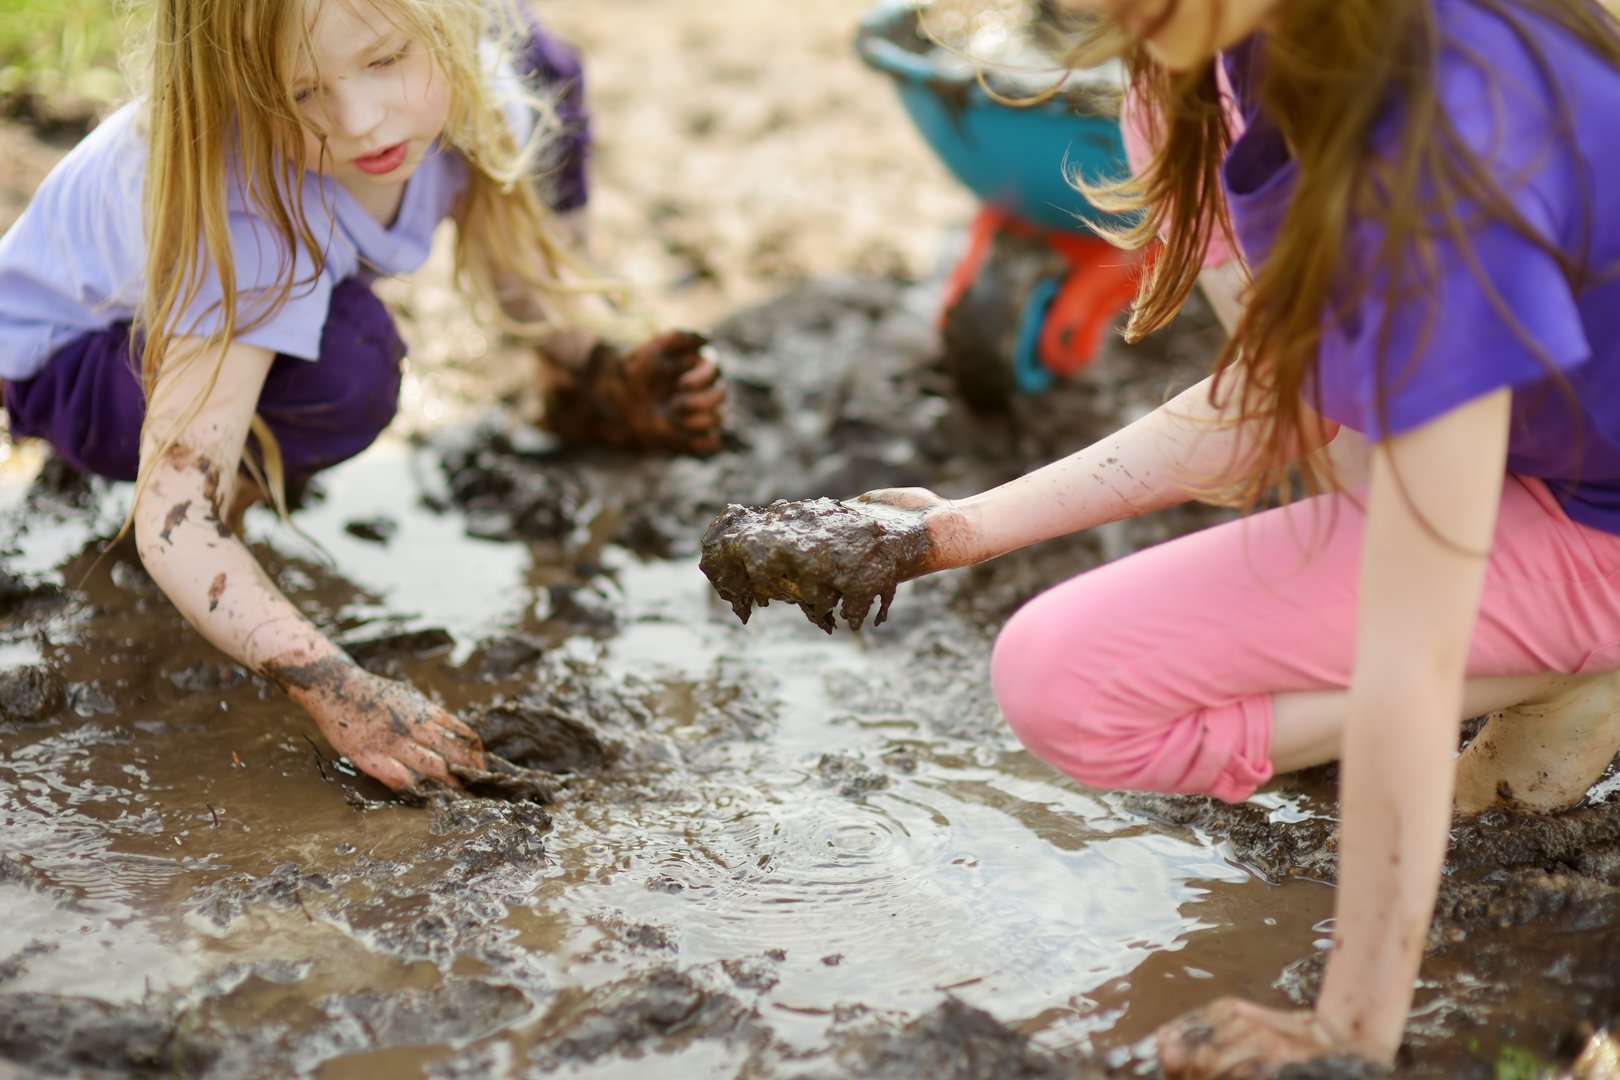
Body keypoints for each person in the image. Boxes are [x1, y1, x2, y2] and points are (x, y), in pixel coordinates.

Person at [795, 0, 1620, 1072]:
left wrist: (1346, 1031)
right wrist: (949, 532)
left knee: (1384, 664)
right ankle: (1530, 653)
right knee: (1062, 679)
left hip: (1591, 509)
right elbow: (1267, 404)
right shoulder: (1207, 64)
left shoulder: (1440, 143)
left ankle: (1574, 666)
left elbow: (1405, 659)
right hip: (1530, 451)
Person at [0, 0, 725, 795]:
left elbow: (516, 266)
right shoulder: (250, 203)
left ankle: (555, 395)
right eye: (300, 94)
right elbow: (172, 518)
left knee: (544, 66)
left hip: (193, 310)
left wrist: (596, 369)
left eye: (384, 62)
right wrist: (336, 685)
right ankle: (225, 556)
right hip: (66, 357)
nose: (358, 122)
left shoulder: (481, 86)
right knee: (348, 362)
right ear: (238, 92)